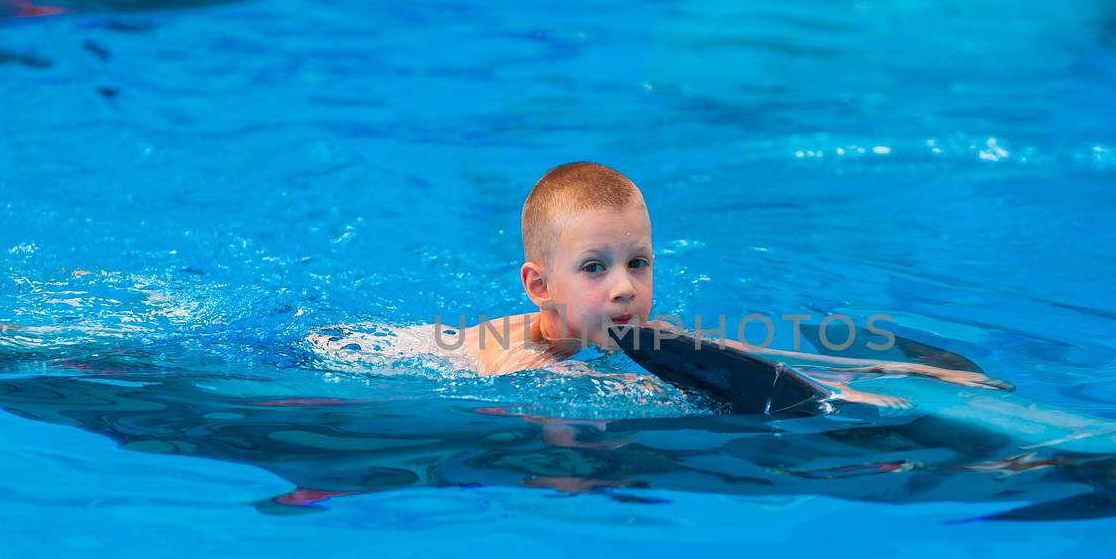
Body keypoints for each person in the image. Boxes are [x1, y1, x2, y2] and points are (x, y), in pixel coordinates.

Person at [307, 161, 1005, 395]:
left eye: (637, 264)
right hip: (379, 352)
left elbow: (743, 368)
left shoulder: (642, 332)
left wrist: (884, 378)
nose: (622, 287)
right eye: (594, 268)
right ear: (538, 285)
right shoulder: (514, 352)